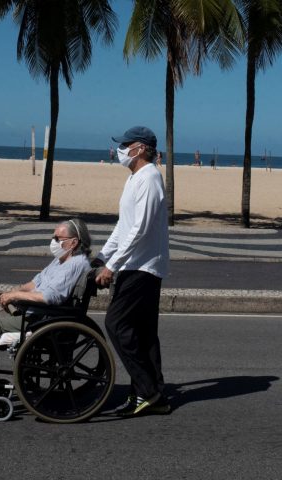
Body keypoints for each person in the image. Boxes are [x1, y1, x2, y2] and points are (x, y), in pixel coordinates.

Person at [0, 219, 92, 410]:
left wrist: (15, 296)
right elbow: (36, 283)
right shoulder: (61, 260)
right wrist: (12, 292)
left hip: (42, 319)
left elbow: (50, 297)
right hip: (34, 313)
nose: (53, 242)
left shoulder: (75, 264)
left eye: (57, 238)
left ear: (74, 242)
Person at [94, 126, 171, 417]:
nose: (120, 149)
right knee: (143, 334)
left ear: (139, 148)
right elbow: (123, 226)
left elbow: (140, 229)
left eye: (125, 144)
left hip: (142, 266)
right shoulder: (135, 178)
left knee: (116, 325)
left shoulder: (150, 178)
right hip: (134, 263)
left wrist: (112, 266)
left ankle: (147, 391)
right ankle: (154, 394)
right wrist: (102, 256)